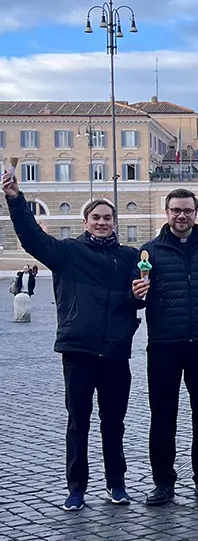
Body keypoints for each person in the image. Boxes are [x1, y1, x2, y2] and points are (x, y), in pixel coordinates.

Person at [4, 173, 141, 511]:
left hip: (115, 351)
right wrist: (16, 199)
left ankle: (117, 484)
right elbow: (32, 238)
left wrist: (137, 297)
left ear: (115, 223)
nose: (102, 222)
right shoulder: (66, 253)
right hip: (78, 349)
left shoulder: (129, 257)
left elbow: (134, 298)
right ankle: (76, 488)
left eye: (107, 218)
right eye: (96, 218)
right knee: (78, 422)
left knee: (114, 423)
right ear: (86, 222)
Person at [131, 188, 198, 506]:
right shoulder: (149, 252)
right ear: (167, 212)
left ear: (196, 213)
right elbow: (136, 297)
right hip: (163, 346)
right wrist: (136, 293)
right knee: (163, 417)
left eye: (187, 210)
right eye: (175, 210)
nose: (181, 216)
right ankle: (162, 483)